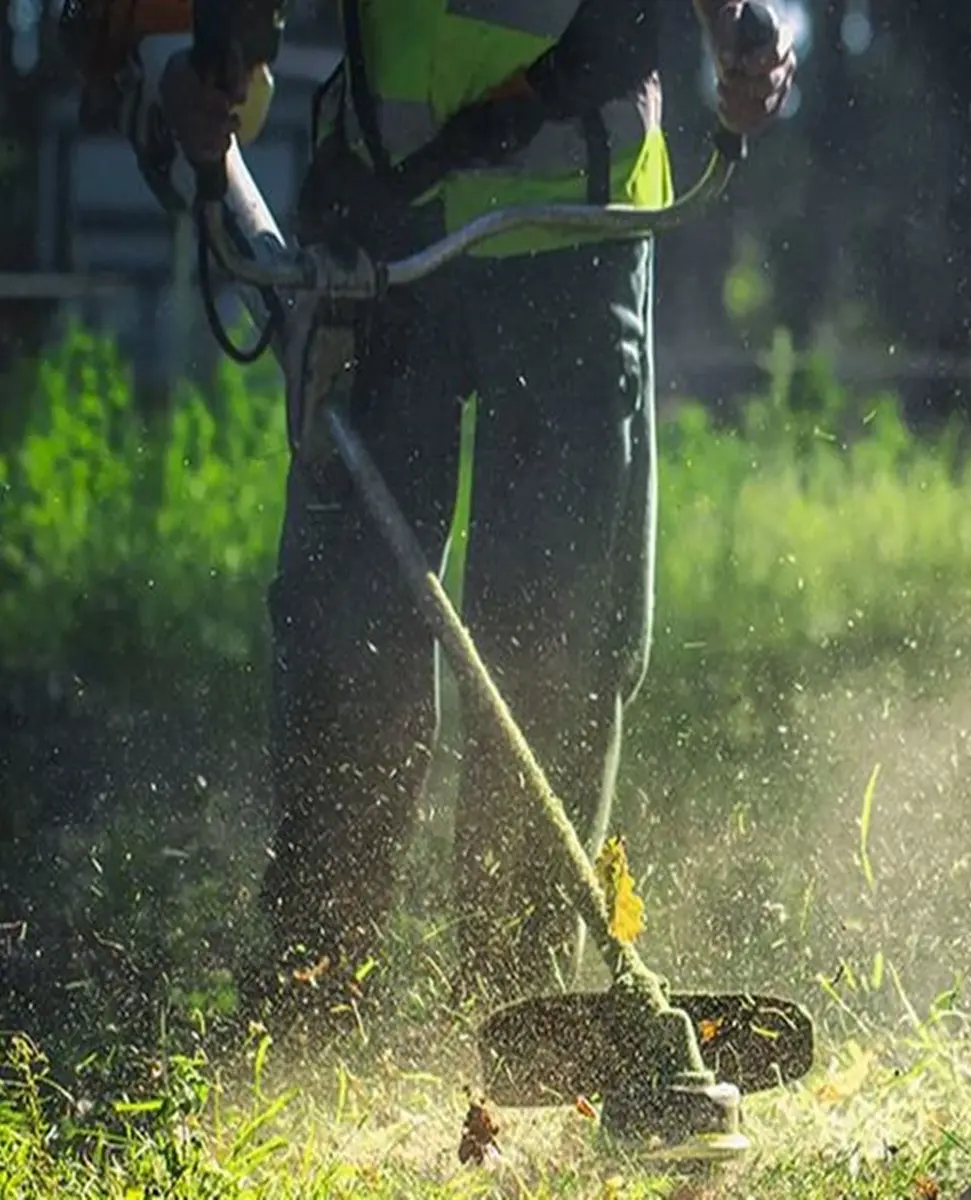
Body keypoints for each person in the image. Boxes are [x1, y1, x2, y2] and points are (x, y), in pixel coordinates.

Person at [159, 0, 796, 1035]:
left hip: (576, 236)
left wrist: (739, 35)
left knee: (555, 643)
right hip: (380, 230)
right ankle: (313, 998)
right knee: (348, 636)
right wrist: (216, 63)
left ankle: (521, 1014)